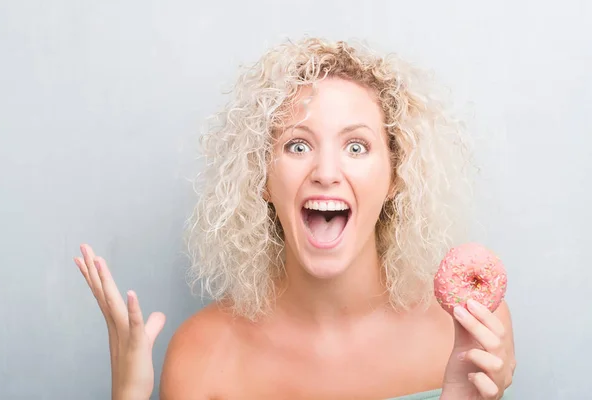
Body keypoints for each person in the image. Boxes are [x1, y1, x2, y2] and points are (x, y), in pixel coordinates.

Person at [74, 37, 516, 399]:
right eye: (297, 146)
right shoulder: (202, 354)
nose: (325, 173)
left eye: (356, 146)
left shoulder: (468, 332)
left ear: (396, 176)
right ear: (262, 178)